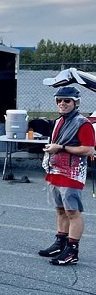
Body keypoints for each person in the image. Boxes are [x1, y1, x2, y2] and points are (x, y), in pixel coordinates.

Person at [39, 86, 95, 266]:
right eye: (59, 100)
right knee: (60, 210)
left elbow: (88, 149)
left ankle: (72, 250)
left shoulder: (83, 123)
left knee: (72, 212)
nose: (62, 103)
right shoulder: (59, 121)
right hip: (55, 170)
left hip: (72, 173)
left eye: (67, 100)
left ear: (76, 102)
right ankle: (60, 243)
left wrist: (61, 148)